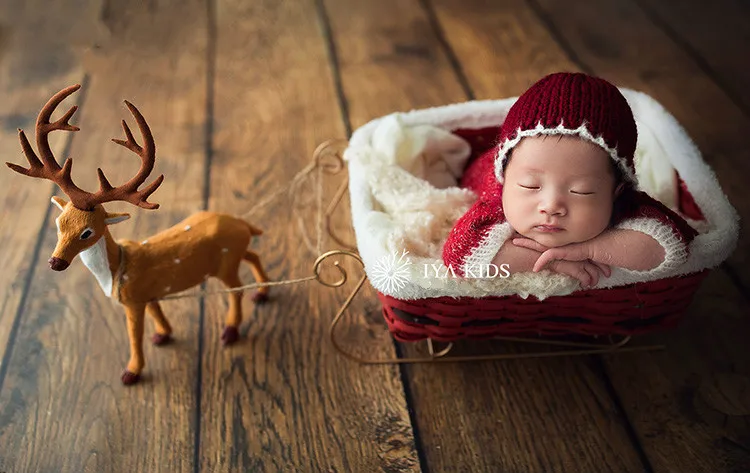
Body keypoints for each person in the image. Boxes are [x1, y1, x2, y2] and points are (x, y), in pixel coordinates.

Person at [442, 72, 697, 288]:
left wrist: (589, 250)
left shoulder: (624, 205)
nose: (551, 206)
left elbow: (675, 244)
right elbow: (460, 256)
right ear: (506, 181)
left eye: (581, 191)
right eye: (530, 186)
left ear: (616, 192)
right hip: (481, 167)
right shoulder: (497, 201)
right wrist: (552, 262)